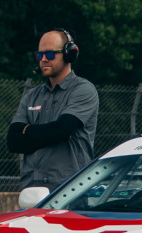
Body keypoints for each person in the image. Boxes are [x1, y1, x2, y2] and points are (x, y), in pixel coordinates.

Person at [6, 28, 99, 190]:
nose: (43, 59)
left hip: (69, 189)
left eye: (49, 55)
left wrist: (27, 131)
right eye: (39, 55)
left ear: (68, 54)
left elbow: (63, 129)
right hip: (31, 187)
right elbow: (13, 142)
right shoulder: (32, 95)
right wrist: (53, 135)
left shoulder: (83, 90)